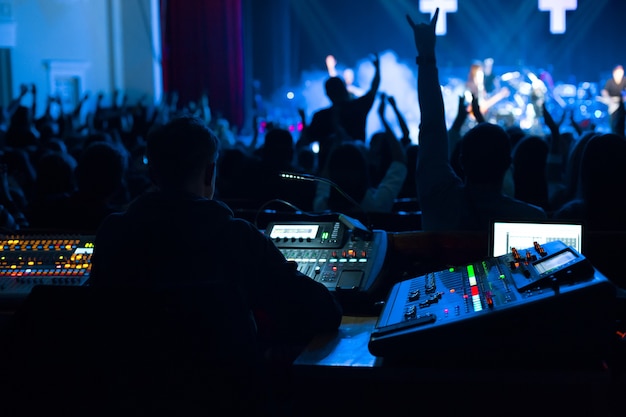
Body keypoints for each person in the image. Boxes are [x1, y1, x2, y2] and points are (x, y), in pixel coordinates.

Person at [90, 115, 343, 360]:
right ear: (210, 173)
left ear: (153, 174)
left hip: (129, 394)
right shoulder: (239, 238)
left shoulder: (113, 232)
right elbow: (325, 311)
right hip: (226, 397)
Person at [407, 8, 546, 232]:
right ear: (508, 165)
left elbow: (431, 127)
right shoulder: (531, 219)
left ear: (461, 162)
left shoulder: (438, 198)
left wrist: (426, 57)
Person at [297, 53, 381, 173]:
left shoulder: (321, 116)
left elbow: (305, 141)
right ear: (344, 89)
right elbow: (374, 88)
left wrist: (303, 120)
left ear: (327, 94)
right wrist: (378, 68)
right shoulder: (358, 107)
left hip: (328, 176)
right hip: (357, 170)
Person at [600, 65, 626, 133]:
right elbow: (604, 91)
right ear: (614, 73)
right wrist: (609, 99)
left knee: (621, 121)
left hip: (622, 106)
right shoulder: (610, 82)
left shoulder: (624, 80)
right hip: (612, 105)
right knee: (612, 122)